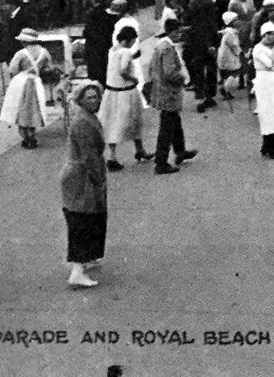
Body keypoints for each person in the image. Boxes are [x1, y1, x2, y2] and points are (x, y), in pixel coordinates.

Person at [60, 81, 108, 288]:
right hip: (82, 177)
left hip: (81, 174)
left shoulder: (85, 118)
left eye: (96, 96)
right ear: (81, 99)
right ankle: (77, 270)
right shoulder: (83, 122)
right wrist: (99, 180)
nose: (94, 100)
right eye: (89, 97)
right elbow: (89, 157)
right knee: (82, 220)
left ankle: (86, 259)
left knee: (88, 217)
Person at [98, 26, 152, 171]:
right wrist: (133, 79)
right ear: (129, 40)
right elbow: (122, 70)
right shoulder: (126, 52)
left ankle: (112, 154)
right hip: (126, 91)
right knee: (134, 120)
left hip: (112, 91)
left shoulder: (113, 50)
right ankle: (138, 150)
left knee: (112, 122)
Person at [148, 19, 197, 175]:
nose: (179, 34)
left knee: (175, 122)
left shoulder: (160, 45)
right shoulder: (168, 48)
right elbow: (169, 72)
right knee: (166, 128)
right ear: (171, 31)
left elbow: (152, 68)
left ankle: (180, 150)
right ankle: (161, 162)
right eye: (177, 31)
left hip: (161, 90)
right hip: (169, 92)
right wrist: (182, 78)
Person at [0, 28, 51, 149]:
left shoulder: (21, 54)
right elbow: (49, 68)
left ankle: (25, 137)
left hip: (21, 82)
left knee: (20, 108)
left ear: (24, 42)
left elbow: (13, 70)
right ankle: (32, 134)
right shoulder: (44, 52)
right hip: (36, 81)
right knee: (33, 108)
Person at [252, 21, 274, 160]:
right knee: (267, 113)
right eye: (267, 34)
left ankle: (267, 145)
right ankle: (270, 147)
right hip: (265, 82)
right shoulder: (258, 49)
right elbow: (269, 64)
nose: (270, 37)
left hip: (273, 82)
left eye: (272, 34)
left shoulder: (272, 48)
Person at [217, 11, 243, 100]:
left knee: (228, 74)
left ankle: (226, 90)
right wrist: (240, 52)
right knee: (235, 72)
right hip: (230, 56)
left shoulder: (228, 31)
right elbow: (234, 45)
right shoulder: (231, 33)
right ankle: (225, 89)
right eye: (236, 20)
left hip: (226, 55)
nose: (238, 21)